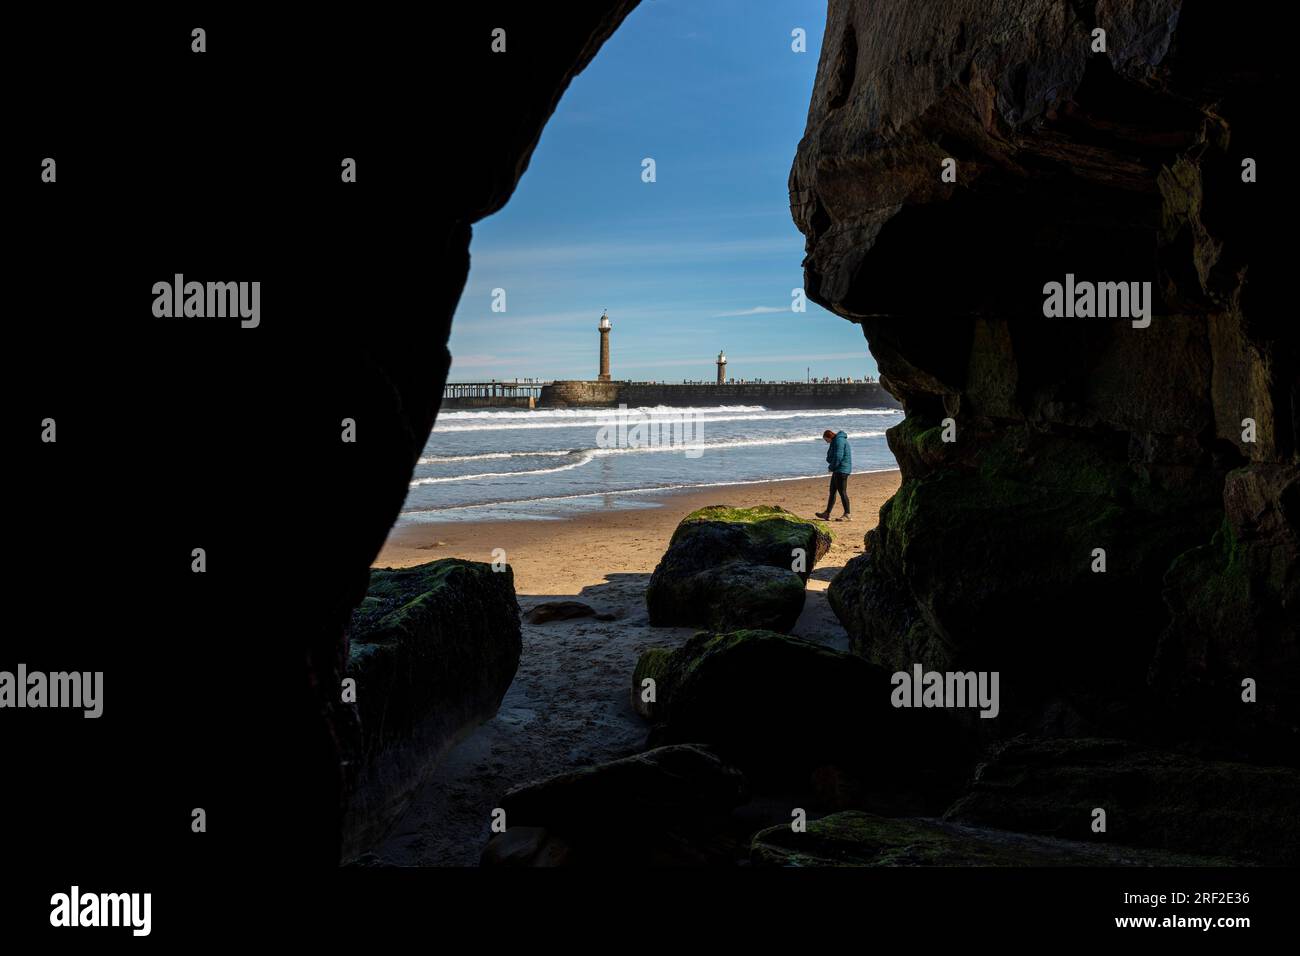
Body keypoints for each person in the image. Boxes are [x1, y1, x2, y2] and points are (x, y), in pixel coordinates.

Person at [815, 428, 851, 520]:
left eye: (826, 440)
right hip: (838, 470)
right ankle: (827, 513)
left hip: (841, 470)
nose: (827, 442)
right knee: (832, 491)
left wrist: (831, 467)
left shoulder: (839, 441)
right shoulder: (836, 441)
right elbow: (833, 456)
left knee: (842, 492)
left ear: (829, 437)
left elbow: (838, 456)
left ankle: (847, 514)